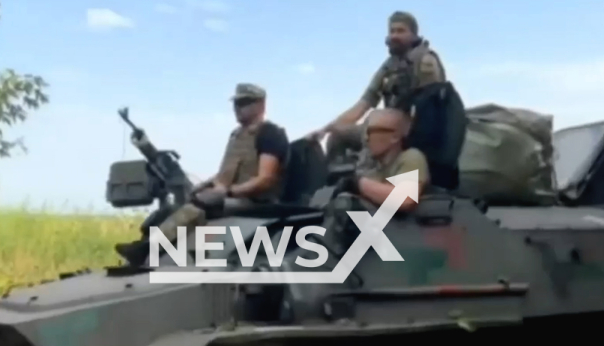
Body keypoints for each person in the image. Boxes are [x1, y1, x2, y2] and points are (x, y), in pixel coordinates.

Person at [115, 83, 289, 265]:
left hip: (256, 200)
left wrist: (228, 193)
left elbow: (265, 180)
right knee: (175, 207)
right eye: (236, 103)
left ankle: (147, 250)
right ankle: (143, 245)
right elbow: (225, 173)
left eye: (245, 103)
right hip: (230, 195)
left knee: (201, 203)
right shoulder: (237, 135)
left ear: (261, 105)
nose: (238, 108)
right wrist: (204, 186)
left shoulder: (270, 133)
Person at [306, 11, 446, 163]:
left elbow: (431, 112)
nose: (394, 36)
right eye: (392, 31)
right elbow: (362, 105)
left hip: (412, 135)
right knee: (337, 135)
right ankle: (338, 182)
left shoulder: (425, 60)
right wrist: (325, 130)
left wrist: (390, 132)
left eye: (400, 31)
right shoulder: (389, 66)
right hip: (386, 129)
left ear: (413, 35)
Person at [336, 108, 430, 209]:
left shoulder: (411, 157)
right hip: (385, 223)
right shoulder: (376, 168)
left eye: (371, 132)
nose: (367, 138)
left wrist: (358, 184)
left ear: (395, 136)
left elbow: (405, 199)